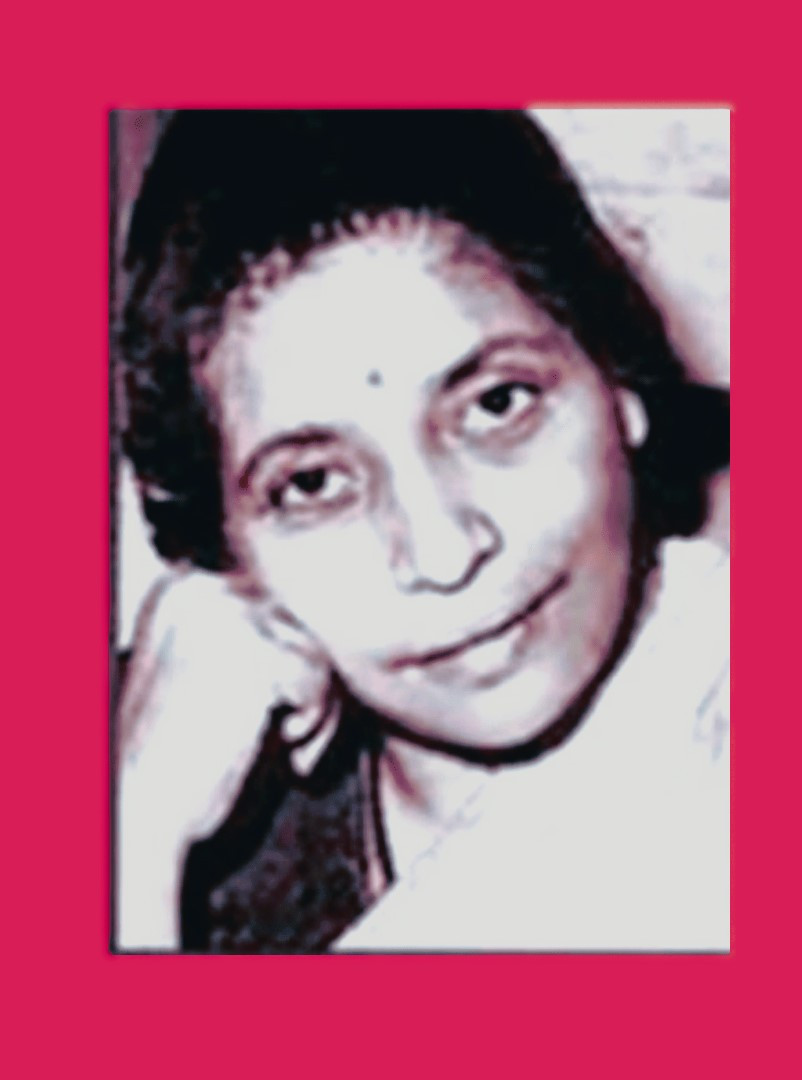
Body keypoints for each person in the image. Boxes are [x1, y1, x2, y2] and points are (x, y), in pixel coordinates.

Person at [115, 110, 729, 952]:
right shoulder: (147, 760)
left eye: (498, 405)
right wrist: (135, 839)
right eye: (313, 484)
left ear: (618, 382)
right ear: (224, 551)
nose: (444, 553)